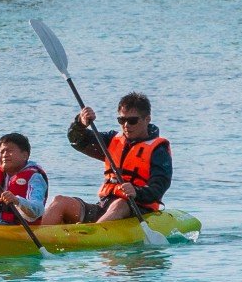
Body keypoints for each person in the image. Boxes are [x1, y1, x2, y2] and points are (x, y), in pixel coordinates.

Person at [45, 92, 172, 225]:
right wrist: (80, 124)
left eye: (132, 121)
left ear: (147, 119)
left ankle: (91, 235)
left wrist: (137, 192)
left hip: (137, 209)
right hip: (104, 206)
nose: (126, 125)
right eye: (122, 120)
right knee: (59, 201)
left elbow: (159, 187)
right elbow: (77, 141)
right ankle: (38, 237)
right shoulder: (112, 140)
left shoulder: (158, 150)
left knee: (120, 204)